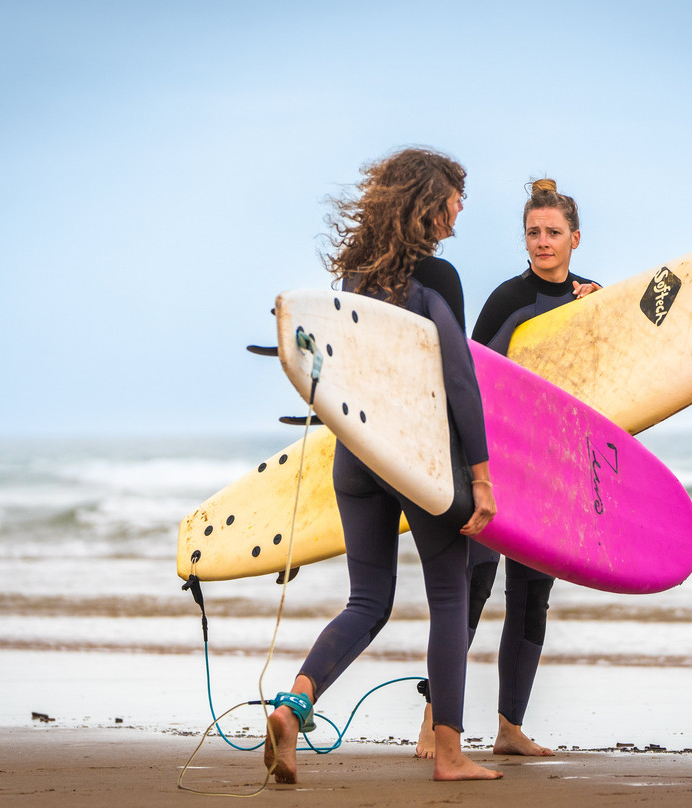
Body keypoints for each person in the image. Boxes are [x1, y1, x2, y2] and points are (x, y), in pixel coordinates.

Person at [264, 148, 503, 783]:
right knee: (449, 596)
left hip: (357, 455)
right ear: (429, 202)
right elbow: (459, 377)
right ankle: (449, 754)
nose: (460, 209)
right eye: (455, 197)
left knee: (368, 600)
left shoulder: (356, 279)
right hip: (418, 459)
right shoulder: (438, 278)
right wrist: (480, 475)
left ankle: (293, 706)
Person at [416, 178, 600, 758]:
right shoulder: (507, 299)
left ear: (575, 238)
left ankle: (509, 728)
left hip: (552, 466)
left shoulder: (593, 299)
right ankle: (434, 719)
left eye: (553, 233)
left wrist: (599, 309)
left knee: (532, 595)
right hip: (497, 460)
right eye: (533, 232)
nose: (543, 242)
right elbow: (466, 376)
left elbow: (611, 382)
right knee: (473, 586)